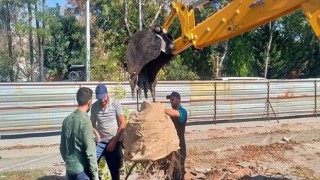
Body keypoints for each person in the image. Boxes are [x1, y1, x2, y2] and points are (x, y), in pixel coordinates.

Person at [60, 87, 98, 180]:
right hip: (82, 172)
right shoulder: (85, 121)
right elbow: (90, 152)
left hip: (70, 171)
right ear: (89, 102)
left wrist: (70, 163)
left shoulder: (67, 120)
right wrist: (95, 176)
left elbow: (62, 148)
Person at [90, 84, 127, 180]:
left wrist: (114, 141)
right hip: (101, 142)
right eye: (99, 98)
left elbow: (123, 124)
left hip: (114, 141)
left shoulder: (115, 104)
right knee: (91, 165)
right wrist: (96, 134)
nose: (102, 100)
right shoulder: (94, 107)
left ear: (107, 94)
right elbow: (91, 124)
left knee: (115, 171)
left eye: (103, 97)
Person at [165, 91, 188, 180]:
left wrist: (160, 109)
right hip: (171, 147)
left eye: (172, 99)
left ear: (178, 100)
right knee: (170, 174)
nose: (171, 101)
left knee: (179, 174)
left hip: (180, 148)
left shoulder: (182, 111)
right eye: (170, 99)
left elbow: (175, 113)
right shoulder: (170, 114)